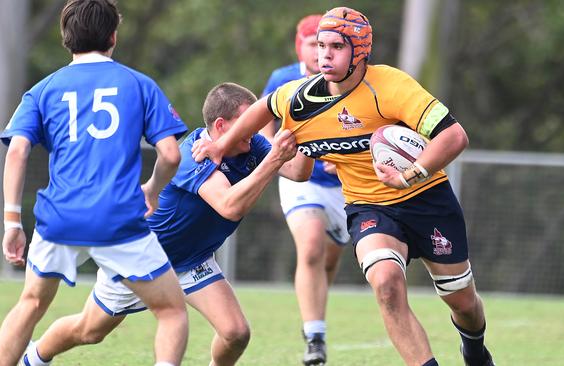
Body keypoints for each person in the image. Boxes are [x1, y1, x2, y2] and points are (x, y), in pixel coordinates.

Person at [192, 7, 495, 366]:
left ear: (360, 51)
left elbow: (454, 136)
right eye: (321, 45)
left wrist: (410, 173)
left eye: (337, 46)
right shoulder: (302, 98)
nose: (325, 55)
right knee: (385, 282)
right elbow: (264, 109)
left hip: (426, 199)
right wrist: (220, 146)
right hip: (369, 207)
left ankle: (473, 347)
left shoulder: (391, 86)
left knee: (462, 301)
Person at [19, 82, 308, 366]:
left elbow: (298, 172)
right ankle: (35, 356)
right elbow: (230, 206)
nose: (254, 129)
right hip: (144, 257)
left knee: (235, 333)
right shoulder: (196, 153)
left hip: (191, 260)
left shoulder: (250, 143)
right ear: (220, 125)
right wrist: (272, 160)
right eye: (246, 122)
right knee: (89, 330)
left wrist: (309, 129)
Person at [0, 1, 190, 365]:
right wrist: (151, 188)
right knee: (170, 311)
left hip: (59, 219)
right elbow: (170, 154)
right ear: (113, 37)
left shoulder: (43, 89)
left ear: (65, 38)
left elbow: (17, 151)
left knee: (32, 303)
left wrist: (12, 221)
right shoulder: (139, 84)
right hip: (118, 220)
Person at [260, 14, 350, 366]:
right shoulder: (283, 80)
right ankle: (315, 337)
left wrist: (347, 156)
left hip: (344, 187)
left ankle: (316, 320)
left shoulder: (350, 79)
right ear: (301, 46)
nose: (319, 51)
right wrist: (278, 156)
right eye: (313, 44)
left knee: (328, 261)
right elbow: (262, 128)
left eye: (327, 44)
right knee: (310, 248)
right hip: (301, 181)